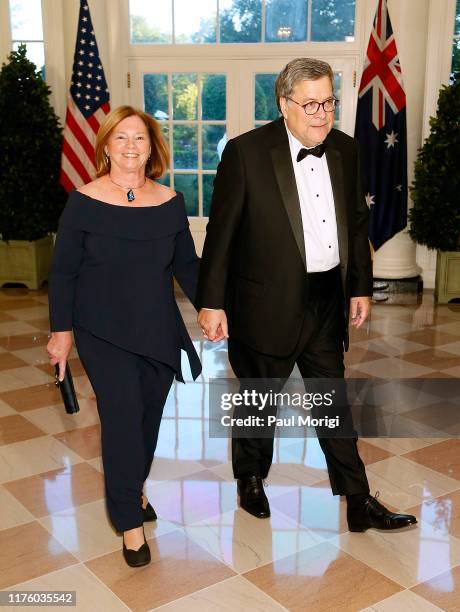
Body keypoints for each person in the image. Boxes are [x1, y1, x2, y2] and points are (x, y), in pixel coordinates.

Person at [196, 58, 416, 532]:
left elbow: (357, 225)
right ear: (284, 105)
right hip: (263, 302)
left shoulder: (346, 150)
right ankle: (250, 477)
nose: (322, 114)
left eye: (329, 102)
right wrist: (211, 301)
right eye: (311, 104)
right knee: (258, 401)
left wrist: (359, 286)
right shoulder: (246, 152)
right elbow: (221, 234)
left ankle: (358, 499)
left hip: (325, 302)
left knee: (332, 403)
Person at [47, 105, 201, 567]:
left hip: (156, 328)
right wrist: (61, 333)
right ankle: (128, 524)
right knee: (121, 416)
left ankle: (133, 487)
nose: (131, 146)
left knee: (147, 420)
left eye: (139, 138)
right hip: (102, 329)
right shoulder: (83, 200)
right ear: (106, 147)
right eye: (121, 138)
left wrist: (213, 307)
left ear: (152, 147)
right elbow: (64, 272)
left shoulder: (171, 201)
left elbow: (187, 266)